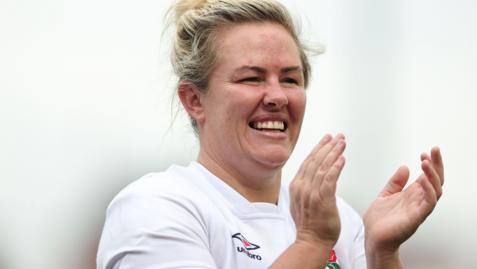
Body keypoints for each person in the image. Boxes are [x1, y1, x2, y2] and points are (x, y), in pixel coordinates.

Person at [96, 0, 444, 268]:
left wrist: (382, 254)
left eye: (291, 79)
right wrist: (311, 243)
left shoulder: (341, 218)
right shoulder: (155, 206)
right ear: (194, 100)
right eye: (252, 78)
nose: (277, 96)